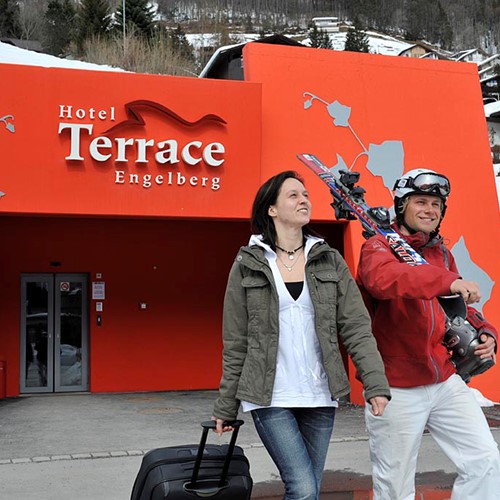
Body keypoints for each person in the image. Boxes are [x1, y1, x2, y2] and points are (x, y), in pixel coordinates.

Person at [212, 170, 390, 500]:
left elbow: (355, 327)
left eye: (306, 194)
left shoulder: (328, 259)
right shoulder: (248, 263)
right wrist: (226, 405)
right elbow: (236, 339)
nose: (304, 199)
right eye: (293, 195)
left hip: (320, 394)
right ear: (271, 209)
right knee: (304, 488)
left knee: (310, 488)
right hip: (269, 395)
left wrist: (375, 383)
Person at [356, 168, 500, 499]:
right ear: (401, 205)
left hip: (444, 378)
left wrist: (485, 331)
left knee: (485, 460)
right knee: (395, 485)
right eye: (420, 201)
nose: (429, 210)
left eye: (436, 204)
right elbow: (387, 280)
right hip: (396, 385)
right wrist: (445, 280)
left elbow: (459, 305)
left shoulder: (440, 253)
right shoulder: (378, 248)